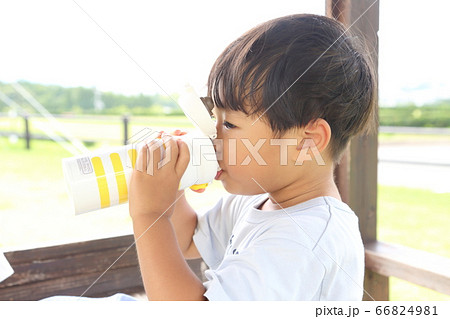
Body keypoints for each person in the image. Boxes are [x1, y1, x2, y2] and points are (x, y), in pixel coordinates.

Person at [129, 13, 376, 301]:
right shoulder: (255, 199)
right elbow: (188, 239)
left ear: (307, 141)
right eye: (214, 120)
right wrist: (171, 189)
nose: (212, 135)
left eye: (229, 125)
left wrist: (148, 215)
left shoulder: (306, 239)